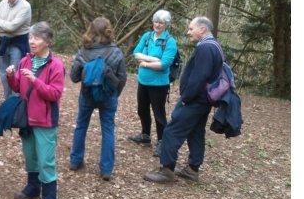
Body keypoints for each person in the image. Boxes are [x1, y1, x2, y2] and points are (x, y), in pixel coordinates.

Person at [144, 16, 223, 184]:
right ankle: (192, 170)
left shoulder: (206, 48)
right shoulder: (214, 46)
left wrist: (186, 98)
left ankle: (167, 171)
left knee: (171, 131)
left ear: (202, 29)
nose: (188, 32)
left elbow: (199, 77)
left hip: (195, 100)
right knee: (196, 132)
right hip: (203, 100)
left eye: (191, 29)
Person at [6, 22, 65, 199]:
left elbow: (54, 93)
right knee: (30, 156)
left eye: (37, 38)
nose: (32, 41)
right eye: (31, 37)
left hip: (45, 120)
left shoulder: (55, 65)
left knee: (46, 161)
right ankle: (32, 188)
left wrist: (34, 80)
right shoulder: (25, 60)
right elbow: (17, 88)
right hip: (26, 118)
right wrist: (12, 76)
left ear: (47, 41)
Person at [68, 17, 128, 180]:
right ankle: (106, 170)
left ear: (90, 30)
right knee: (108, 129)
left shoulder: (83, 52)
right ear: (109, 31)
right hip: (108, 96)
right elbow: (122, 78)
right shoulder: (116, 52)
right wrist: (115, 94)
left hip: (87, 94)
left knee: (81, 125)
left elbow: (73, 77)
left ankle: (75, 161)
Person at [127, 9, 179, 157]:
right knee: (142, 110)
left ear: (166, 24)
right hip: (143, 81)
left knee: (159, 114)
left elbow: (164, 65)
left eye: (161, 22)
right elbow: (136, 53)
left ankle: (163, 142)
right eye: (155, 21)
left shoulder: (170, 42)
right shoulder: (147, 36)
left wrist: (144, 63)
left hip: (159, 84)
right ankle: (145, 135)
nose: (157, 24)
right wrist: (153, 59)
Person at [0, 0, 31, 99]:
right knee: (4, 74)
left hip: (18, 44)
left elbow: (12, 27)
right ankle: (7, 102)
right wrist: (3, 25)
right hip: (3, 42)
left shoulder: (25, 6)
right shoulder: (2, 3)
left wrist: (0, 23)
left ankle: (16, 103)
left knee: (15, 74)